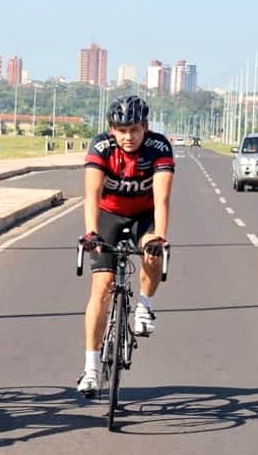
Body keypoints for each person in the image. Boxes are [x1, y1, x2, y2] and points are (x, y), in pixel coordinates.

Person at [76, 95, 174, 397]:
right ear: (111, 129)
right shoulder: (101, 146)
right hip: (109, 215)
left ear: (145, 127)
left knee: (152, 251)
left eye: (134, 129)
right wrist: (91, 232)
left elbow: (162, 199)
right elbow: (91, 196)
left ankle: (145, 306)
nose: (128, 136)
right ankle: (91, 369)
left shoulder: (159, 148)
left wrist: (158, 236)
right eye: (121, 130)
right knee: (101, 287)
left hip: (144, 214)